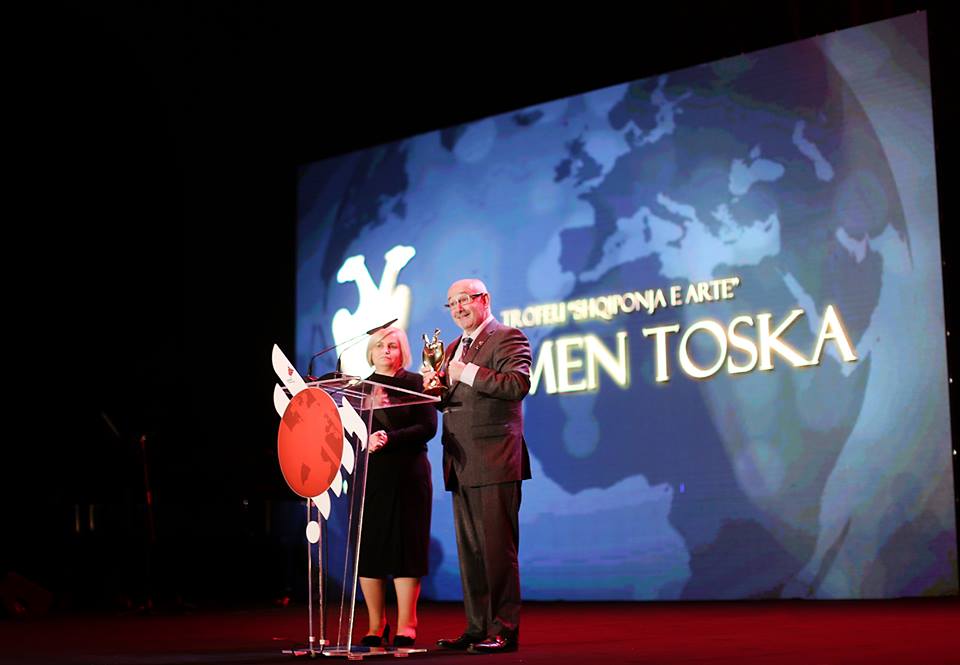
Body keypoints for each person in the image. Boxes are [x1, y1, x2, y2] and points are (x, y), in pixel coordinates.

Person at [423, 278, 532, 654]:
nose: (457, 308)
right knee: (471, 552)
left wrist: (465, 372)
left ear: (484, 300)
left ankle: (504, 629)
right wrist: (434, 390)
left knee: (498, 550)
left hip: (495, 458)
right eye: (451, 303)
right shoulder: (454, 346)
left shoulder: (508, 337)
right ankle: (477, 626)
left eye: (464, 300)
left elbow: (516, 385)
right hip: (460, 460)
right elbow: (453, 399)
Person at [357, 326, 437, 648]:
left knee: (407, 547)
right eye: (379, 345)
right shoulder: (359, 388)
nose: (385, 350)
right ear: (370, 351)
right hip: (372, 476)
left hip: (409, 473)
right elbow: (348, 432)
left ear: (402, 350)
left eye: (392, 345)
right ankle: (376, 624)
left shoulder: (416, 383)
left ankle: (407, 623)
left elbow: (428, 427)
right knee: (370, 550)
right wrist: (365, 439)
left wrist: (389, 438)